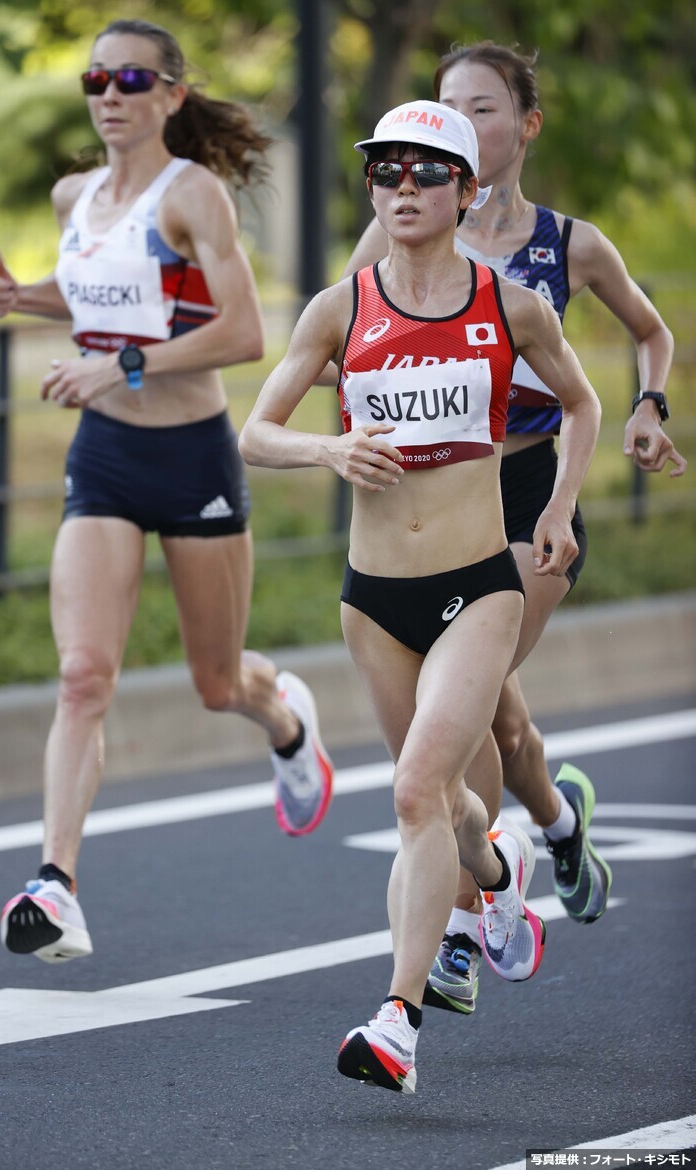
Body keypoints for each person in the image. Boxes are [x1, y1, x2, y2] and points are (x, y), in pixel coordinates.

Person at [239, 99, 602, 1093]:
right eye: (383, 171)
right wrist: (328, 444)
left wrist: (559, 507)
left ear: (465, 190)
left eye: (422, 171)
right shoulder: (340, 308)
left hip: (480, 589)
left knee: (412, 794)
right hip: (375, 602)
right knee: (445, 811)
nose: (400, 187)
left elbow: (580, 400)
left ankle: (397, 1022)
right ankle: (499, 879)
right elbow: (254, 431)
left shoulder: (511, 306)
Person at [337, 41, 687, 1018]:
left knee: (475, 707)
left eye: (485, 108)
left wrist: (647, 409)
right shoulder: (393, 240)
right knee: (499, 717)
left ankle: (459, 926)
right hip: (432, 495)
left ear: (523, 127)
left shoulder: (567, 245)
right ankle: (556, 821)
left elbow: (649, 331)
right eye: (448, 105)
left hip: (531, 489)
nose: (464, 124)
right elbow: (341, 342)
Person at [0, 18, 334, 964]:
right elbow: (101, 291)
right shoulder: (74, 196)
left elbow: (247, 331)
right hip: (105, 461)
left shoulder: (194, 195)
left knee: (217, 685)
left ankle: (286, 719)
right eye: (96, 77)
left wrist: (120, 364)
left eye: (131, 77)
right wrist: (29, 300)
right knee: (83, 674)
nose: (109, 92)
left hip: (193, 459)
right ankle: (54, 884)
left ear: (172, 94)